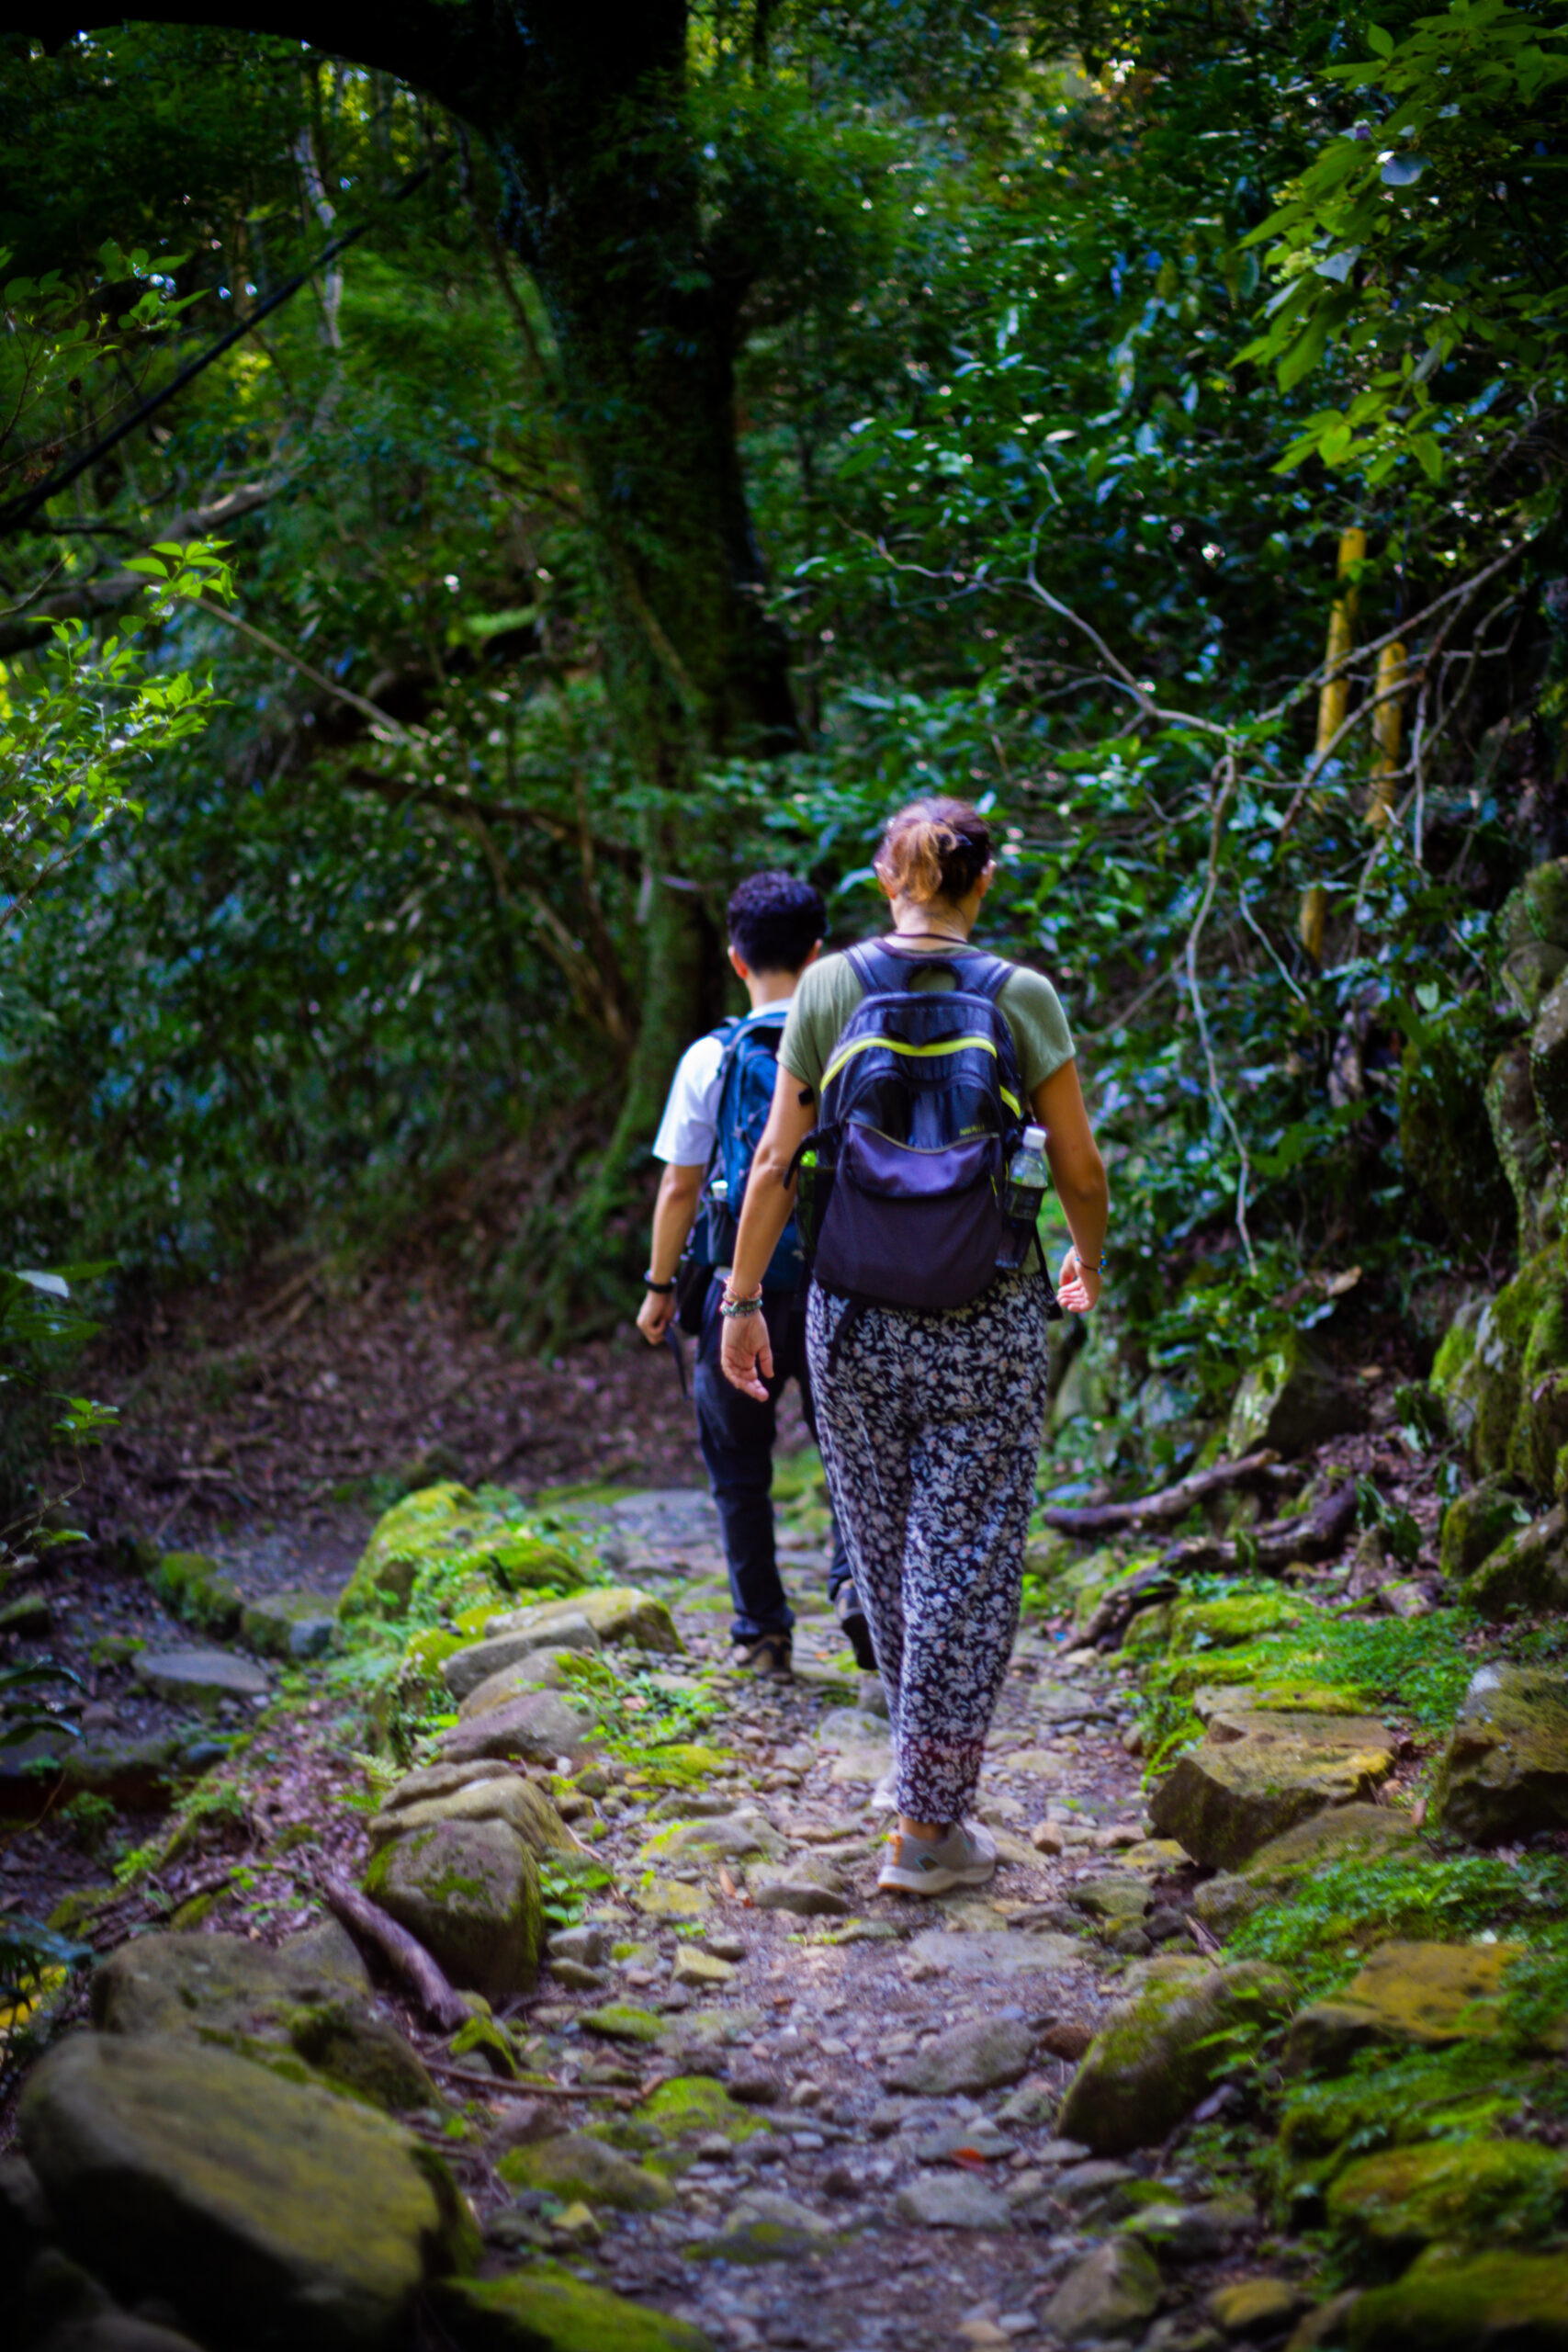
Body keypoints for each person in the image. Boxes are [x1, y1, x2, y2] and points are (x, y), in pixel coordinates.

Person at [717, 799, 1109, 1895]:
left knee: (887, 1548)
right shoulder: (1021, 996)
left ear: (888, 882)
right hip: (983, 1311)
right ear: (980, 886)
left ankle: (916, 1785)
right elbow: (1079, 1167)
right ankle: (930, 1825)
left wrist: (743, 1300)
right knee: (967, 1559)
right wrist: (1086, 1258)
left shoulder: (831, 986)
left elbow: (773, 1165)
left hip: (850, 1311)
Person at [637, 870, 867, 1678]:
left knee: (738, 1467)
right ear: (818, 953)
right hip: (851, 1277)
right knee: (855, 1451)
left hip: (744, 1284)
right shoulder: (856, 1042)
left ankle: (762, 1634)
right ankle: (855, 1590)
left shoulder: (712, 1056)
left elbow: (679, 1185)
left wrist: (661, 1287)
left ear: (736, 960)